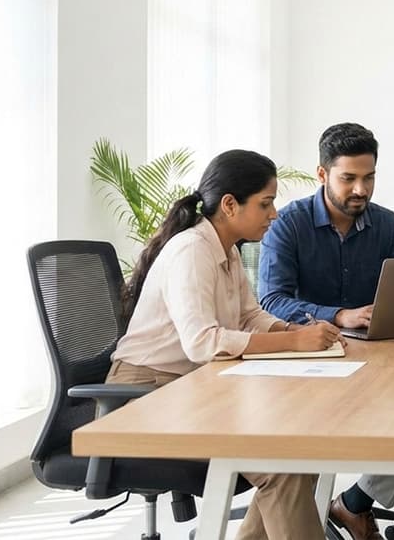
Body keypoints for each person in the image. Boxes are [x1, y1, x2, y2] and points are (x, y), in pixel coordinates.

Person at [107, 149, 341, 540]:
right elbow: (203, 343)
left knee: (298, 451)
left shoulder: (226, 248)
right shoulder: (192, 250)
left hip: (191, 388)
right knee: (281, 466)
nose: (274, 213)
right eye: (265, 203)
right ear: (230, 205)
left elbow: (249, 316)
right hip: (143, 395)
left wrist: (288, 331)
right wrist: (294, 342)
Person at [257, 123, 394, 540]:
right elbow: (270, 299)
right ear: (323, 175)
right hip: (304, 362)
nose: (361, 189)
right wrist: (338, 314)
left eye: (369, 177)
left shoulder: (387, 226)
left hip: (374, 358)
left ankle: (355, 503)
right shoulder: (287, 225)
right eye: (349, 178)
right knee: (296, 454)